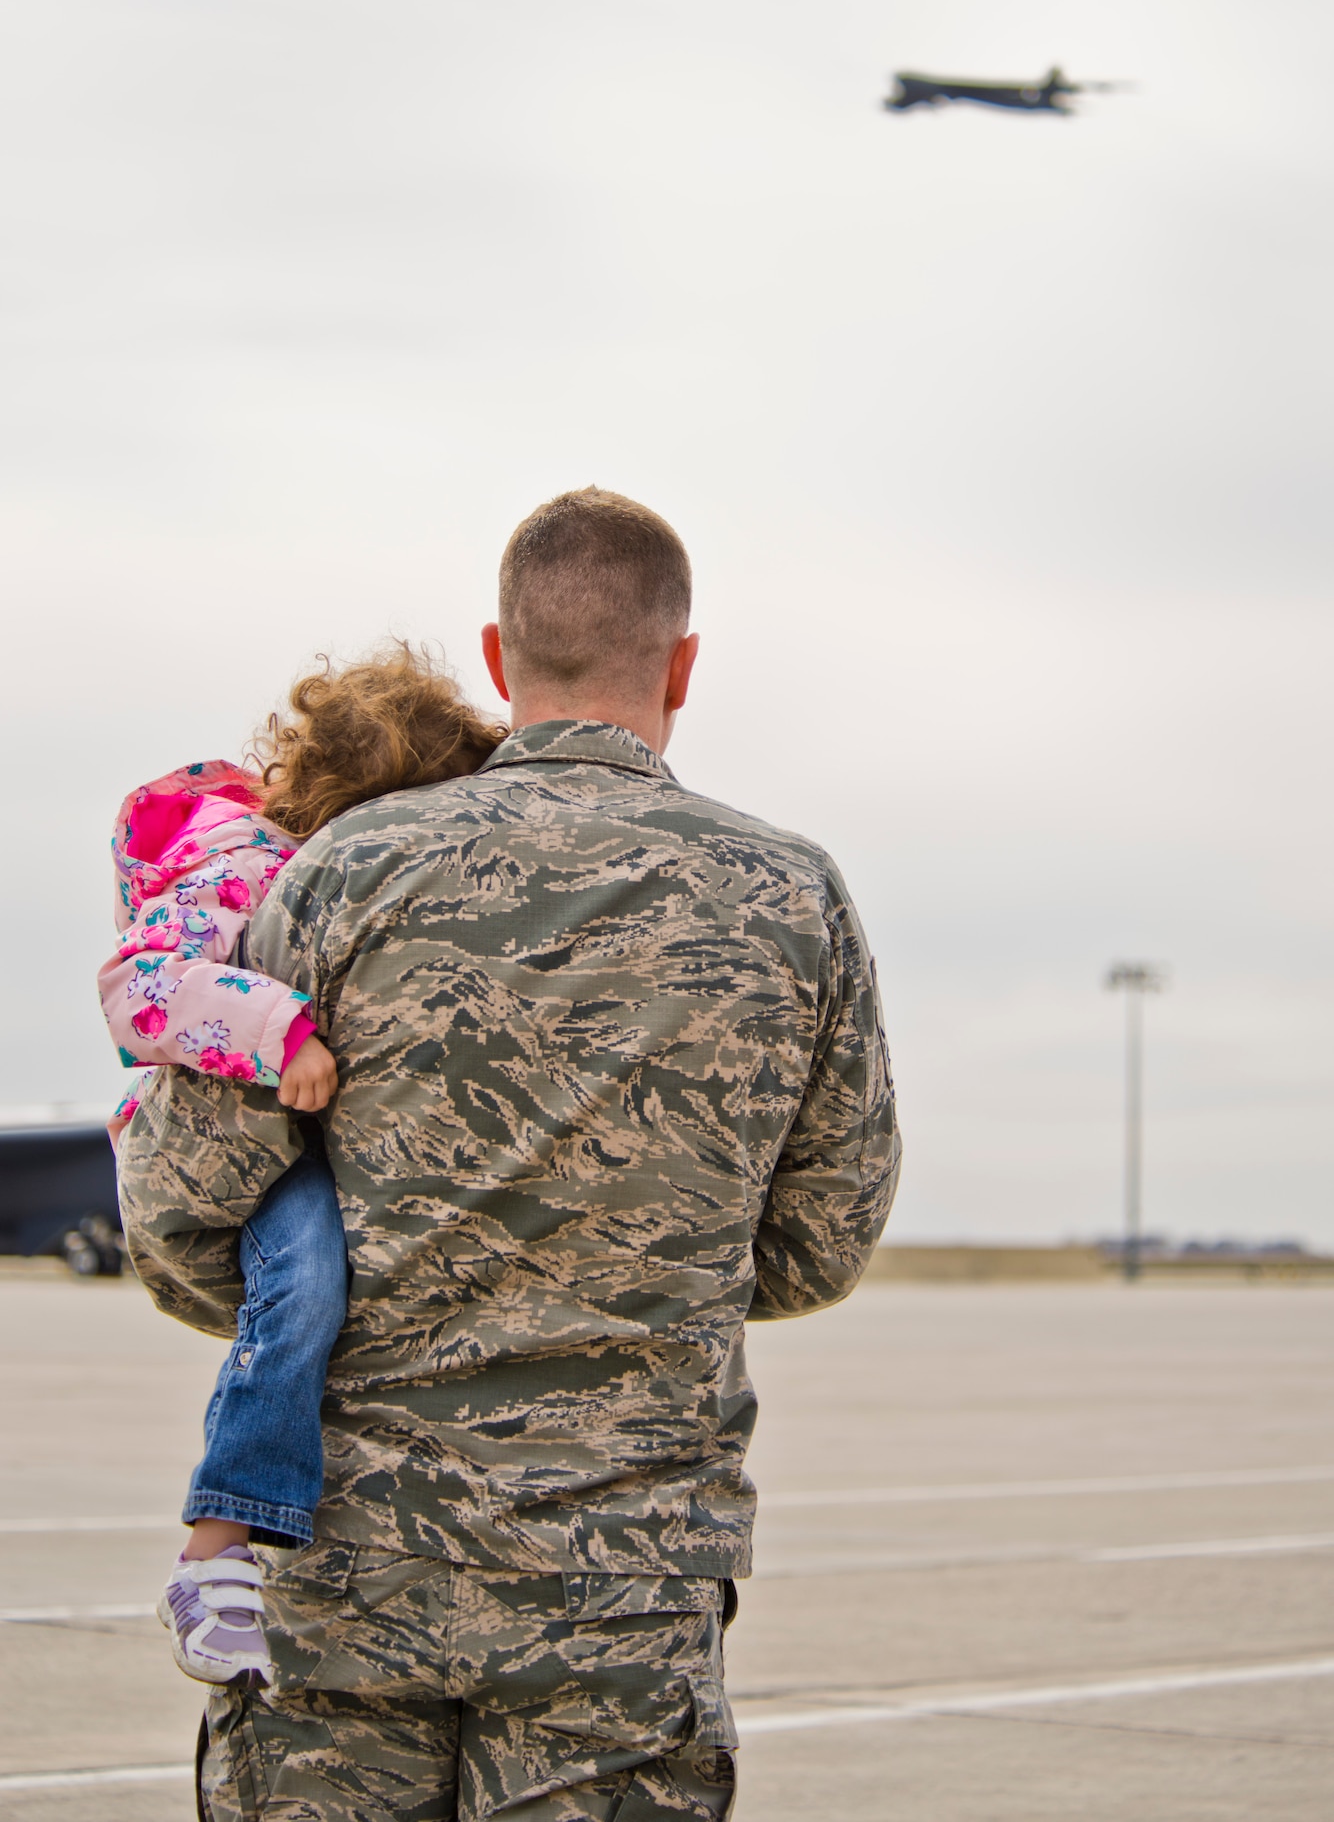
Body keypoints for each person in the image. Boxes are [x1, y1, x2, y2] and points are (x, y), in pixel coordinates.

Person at [119, 487, 902, 1822]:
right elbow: (819, 1244)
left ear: (498, 655)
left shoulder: (340, 871)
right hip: (617, 1593)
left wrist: (328, 1295)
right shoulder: (790, 894)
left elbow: (186, 1215)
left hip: (342, 1590)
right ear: (682, 665)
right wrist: (642, 1268)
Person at [99, 647, 503, 1684]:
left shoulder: (297, 855)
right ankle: (216, 1548)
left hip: (291, 1133)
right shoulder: (237, 857)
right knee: (308, 1280)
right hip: (237, 1136)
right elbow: (140, 987)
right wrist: (279, 1030)